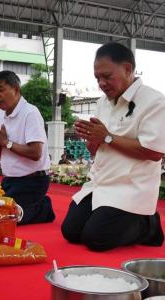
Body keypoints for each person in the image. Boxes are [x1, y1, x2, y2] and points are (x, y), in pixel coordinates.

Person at [61, 42, 165, 251]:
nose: (101, 83)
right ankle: (127, 221)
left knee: (96, 239)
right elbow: (97, 150)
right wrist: (93, 140)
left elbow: (154, 152)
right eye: (97, 78)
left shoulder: (154, 101)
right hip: (101, 184)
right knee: (71, 232)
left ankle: (149, 224)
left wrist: (108, 137)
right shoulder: (102, 103)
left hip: (130, 189)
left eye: (107, 76)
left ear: (127, 69)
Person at [0, 70, 55, 225]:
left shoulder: (30, 112)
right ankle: (30, 205)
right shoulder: (0, 115)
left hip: (33, 181)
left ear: (16, 90)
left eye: (1, 89)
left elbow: (36, 153)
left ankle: (43, 207)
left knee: (7, 218)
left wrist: (5, 142)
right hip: (10, 180)